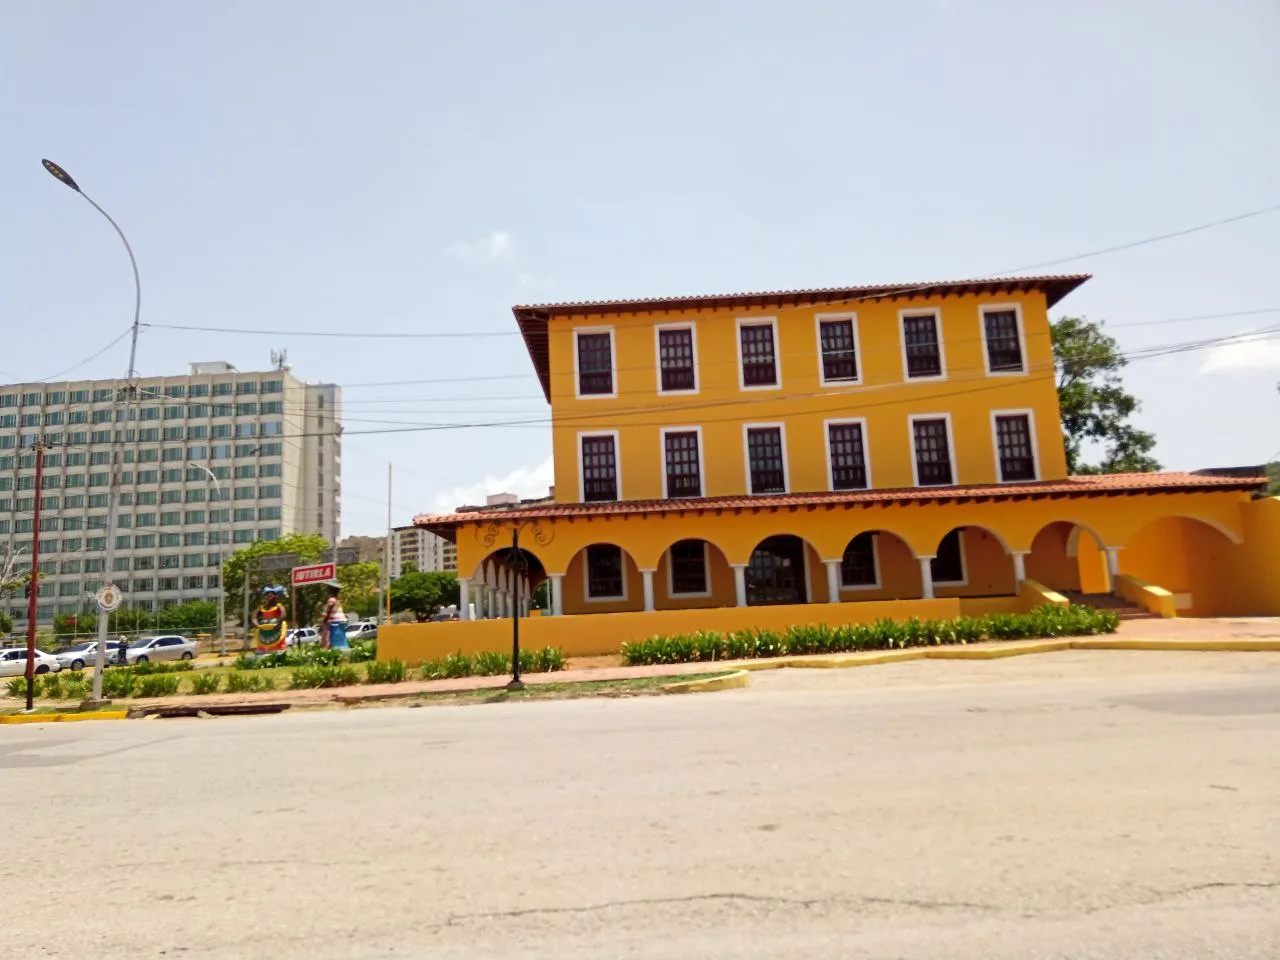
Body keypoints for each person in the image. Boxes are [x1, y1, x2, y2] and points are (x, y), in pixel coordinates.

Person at [251, 586, 289, 654]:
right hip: (264, 631)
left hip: (276, 629)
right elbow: (254, 617)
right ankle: (262, 651)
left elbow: (283, 615)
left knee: (277, 645)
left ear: (275, 596)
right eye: (267, 594)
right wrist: (257, 625)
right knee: (262, 645)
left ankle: (278, 650)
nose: (269, 595)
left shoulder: (279, 606)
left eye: (271, 594)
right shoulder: (261, 607)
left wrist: (277, 623)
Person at [320, 580, 349, 650]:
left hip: (334, 621)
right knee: (339, 637)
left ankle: (326, 648)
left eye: (328, 587)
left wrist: (324, 621)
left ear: (331, 589)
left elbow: (328, 610)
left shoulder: (331, 599)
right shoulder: (337, 599)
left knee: (326, 634)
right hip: (341, 621)